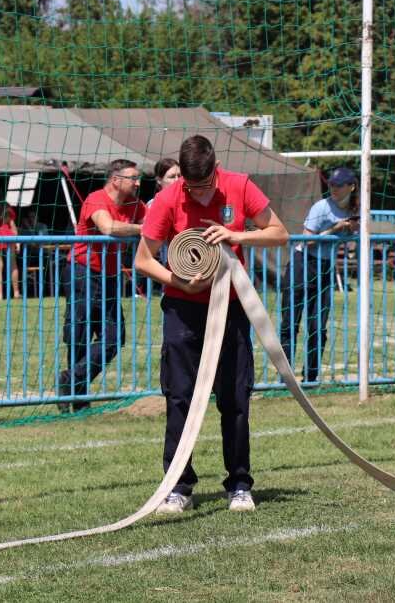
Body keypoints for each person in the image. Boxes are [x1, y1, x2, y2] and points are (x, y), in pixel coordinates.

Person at [134, 135, 288, 514]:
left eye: (205, 186)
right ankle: (178, 486)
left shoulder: (240, 186)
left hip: (231, 307)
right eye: (191, 187)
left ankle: (239, 485)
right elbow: (143, 260)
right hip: (182, 311)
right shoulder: (171, 199)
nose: (198, 195)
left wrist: (238, 234)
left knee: (235, 399)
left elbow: (279, 233)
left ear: (216, 170)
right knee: (180, 398)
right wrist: (179, 280)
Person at [60, 159, 146, 412]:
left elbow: (157, 223)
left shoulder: (136, 204)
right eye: (133, 178)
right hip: (81, 272)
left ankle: (71, 381)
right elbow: (108, 226)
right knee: (78, 336)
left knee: (114, 337)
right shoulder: (97, 199)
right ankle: (77, 399)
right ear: (116, 180)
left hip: (108, 276)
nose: (138, 182)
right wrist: (141, 228)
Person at [279, 167, 359, 385]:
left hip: (325, 268)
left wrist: (352, 229)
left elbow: (353, 234)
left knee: (317, 327)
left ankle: (311, 378)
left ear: (351, 186)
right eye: (331, 184)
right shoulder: (321, 207)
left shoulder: (355, 208)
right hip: (301, 264)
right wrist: (334, 229)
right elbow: (307, 240)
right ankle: (284, 378)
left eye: (339, 185)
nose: (333, 188)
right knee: (290, 324)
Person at [0, 202, 21, 300]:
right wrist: (17, 241)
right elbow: (12, 225)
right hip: (8, 236)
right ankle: (16, 293)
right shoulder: (6, 205)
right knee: (12, 264)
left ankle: (0, 296)